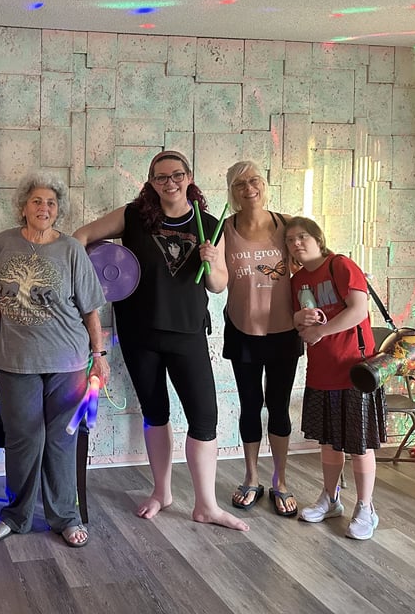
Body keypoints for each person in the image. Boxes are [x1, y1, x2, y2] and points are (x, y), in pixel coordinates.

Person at [74, 150, 248, 531]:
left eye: (176, 175)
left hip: (187, 332)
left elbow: (219, 285)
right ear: (151, 181)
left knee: (204, 420)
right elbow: (82, 236)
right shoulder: (133, 215)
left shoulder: (209, 224)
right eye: (161, 177)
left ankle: (206, 505)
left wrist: (213, 258)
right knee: (156, 414)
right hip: (139, 334)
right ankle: (161, 492)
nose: (169, 182)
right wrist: (92, 273)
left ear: (188, 177)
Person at [0, 173, 109, 548]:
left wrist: (98, 356)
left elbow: (90, 310)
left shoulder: (70, 249)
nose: (44, 208)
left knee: (61, 440)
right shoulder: (2, 243)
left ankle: (65, 517)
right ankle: (15, 515)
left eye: (51, 203)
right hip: (14, 360)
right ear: (23, 207)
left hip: (67, 361)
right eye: (37, 201)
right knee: (24, 439)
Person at [285, 216, 386, 540]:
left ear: (317, 238)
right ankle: (330, 499)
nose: (296, 243)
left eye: (302, 236)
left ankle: (366, 508)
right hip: (321, 371)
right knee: (328, 441)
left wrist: (319, 331)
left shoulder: (340, 265)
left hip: (355, 370)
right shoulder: (297, 280)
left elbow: (359, 310)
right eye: (290, 240)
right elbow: (299, 326)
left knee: (359, 444)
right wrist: (300, 320)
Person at [221, 161, 302, 517]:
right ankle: (251, 477)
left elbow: (312, 263)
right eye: (239, 184)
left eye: (254, 181)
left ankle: (280, 481)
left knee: (279, 407)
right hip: (242, 330)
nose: (248, 188)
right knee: (250, 405)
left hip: (284, 330)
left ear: (265, 184)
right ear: (232, 192)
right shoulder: (224, 230)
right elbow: (217, 282)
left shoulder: (288, 226)